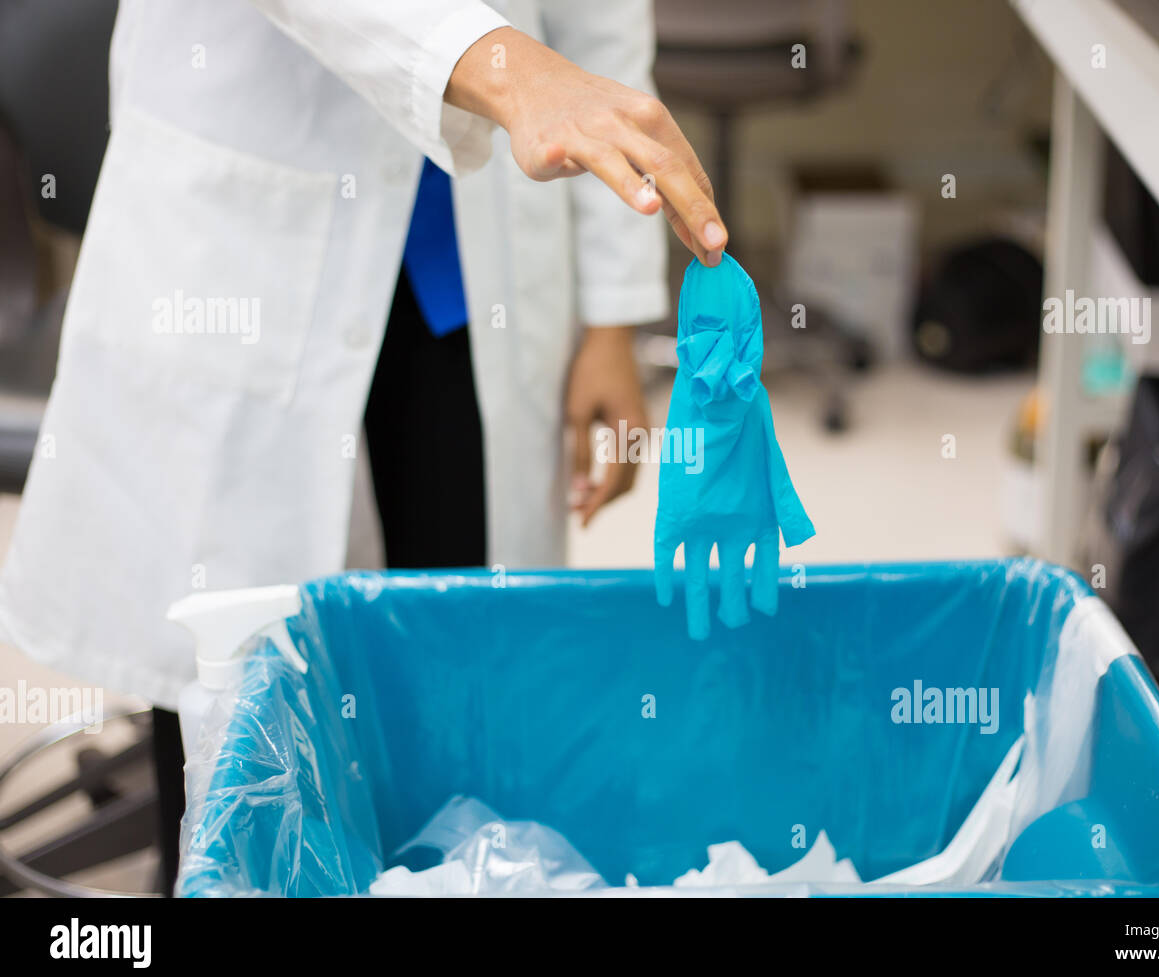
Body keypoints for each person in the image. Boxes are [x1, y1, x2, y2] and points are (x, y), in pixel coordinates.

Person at [0, 0, 726, 892]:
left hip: (474, 260)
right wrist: (502, 65)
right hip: (250, 239)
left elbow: (600, 20)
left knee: (457, 675)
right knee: (234, 692)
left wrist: (612, 311)